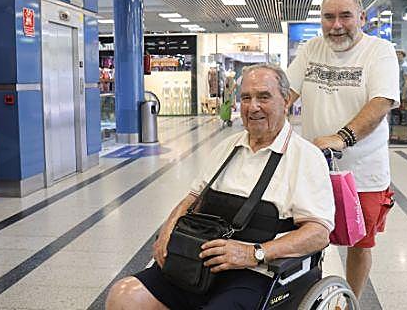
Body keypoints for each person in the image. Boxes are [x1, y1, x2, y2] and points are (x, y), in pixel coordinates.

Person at [105, 65, 333, 310]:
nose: (253, 106)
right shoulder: (227, 147)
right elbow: (192, 198)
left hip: (257, 274)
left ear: (286, 100)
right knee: (124, 295)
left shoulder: (305, 157)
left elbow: (318, 233)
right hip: (197, 261)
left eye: (263, 97)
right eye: (246, 98)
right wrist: (167, 231)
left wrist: (253, 253)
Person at [285, 0, 399, 300]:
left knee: (359, 245)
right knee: (306, 238)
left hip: (364, 172)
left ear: (361, 17)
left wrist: (342, 138)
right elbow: (286, 94)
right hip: (315, 168)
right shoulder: (310, 50)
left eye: (345, 16)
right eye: (329, 17)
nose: (336, 25)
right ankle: (307, 297)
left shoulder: (379, 51)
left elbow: (380, 102)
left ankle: (352, 301)